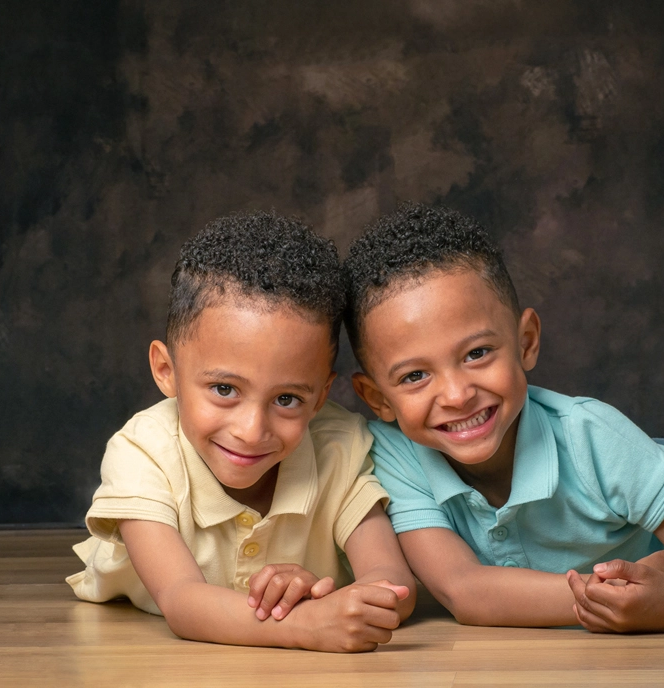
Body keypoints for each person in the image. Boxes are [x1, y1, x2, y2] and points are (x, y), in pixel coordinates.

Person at [343, 202, 664, 633]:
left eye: (477, 353)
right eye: (415, 375)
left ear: (526, 342)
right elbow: (466, 590)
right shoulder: (395, 455)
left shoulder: (593, 435)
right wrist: (607, 597)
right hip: (625, 501)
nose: (458, 395)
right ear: (377, 398)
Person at [67, 211, 415, 652]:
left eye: (287, 399)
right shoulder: (143, 450)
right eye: (224, 389)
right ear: (166, 370)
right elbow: (181, 601)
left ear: (322, 395)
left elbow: (395, 584)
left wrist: (326, 595)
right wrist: (307, 624)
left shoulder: (338, 445)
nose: (252, 431)